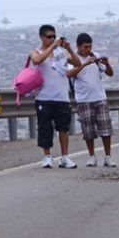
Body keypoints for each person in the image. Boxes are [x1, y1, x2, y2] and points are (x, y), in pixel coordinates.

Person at [31, 24, 82, 168]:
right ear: (41, 37)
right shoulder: (36, 51)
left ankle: (64, 157)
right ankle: (47, 156)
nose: (52, 39)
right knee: (45, 129)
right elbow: (37, 60)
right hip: (44, 97)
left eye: (54, 36)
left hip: (62, 97)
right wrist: (52, 47)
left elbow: (78, 63)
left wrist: (69, 48)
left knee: (63, 128)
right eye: (49, 37)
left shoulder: (61, 54)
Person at [66, 33, 117, 167]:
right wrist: (84, 64)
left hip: (99, 97)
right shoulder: (73, 59)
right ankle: (91, 156)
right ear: (78, 46)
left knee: (105, 128)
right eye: (85, 47)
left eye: (90, 47)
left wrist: (107, 64)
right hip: (83, 99)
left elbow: (109, 73)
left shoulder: (95, 56)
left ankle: (108, 156)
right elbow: (69, 74)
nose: (88, 50)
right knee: (88, 130)